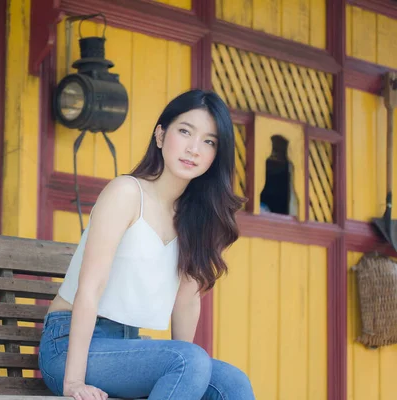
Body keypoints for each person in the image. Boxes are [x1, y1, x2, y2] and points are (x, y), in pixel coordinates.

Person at [38, 89, 255, 400]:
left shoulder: (199, 217)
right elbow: (91, 287)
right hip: (69, 346)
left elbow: (186, 302)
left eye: (209, 141)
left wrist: (188, 371)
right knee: (189, 360)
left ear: (215, 156)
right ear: (160, 135)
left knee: (232, 383)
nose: (194, 149)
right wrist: (73, 382)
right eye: (185, 132)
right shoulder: (126, 193)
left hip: (127, 347)